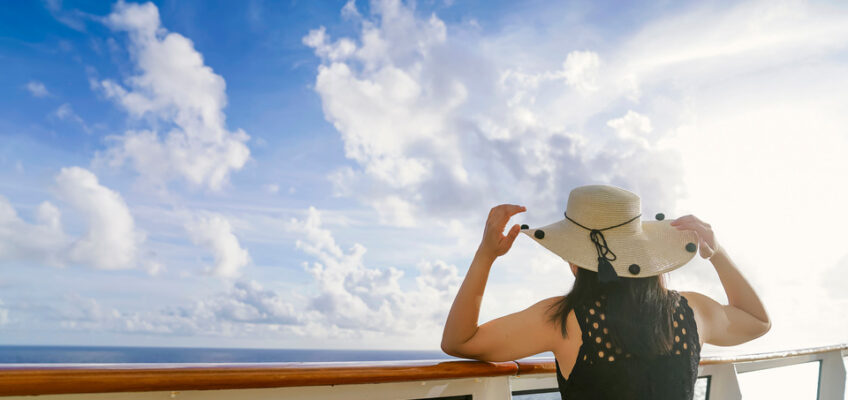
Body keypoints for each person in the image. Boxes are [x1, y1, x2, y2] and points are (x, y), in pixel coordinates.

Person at [441, 184, 771, 399]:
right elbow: (758, 321)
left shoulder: (564, 319)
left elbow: (459, 341)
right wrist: (719, 254)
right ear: (644, 254)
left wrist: (486, 255)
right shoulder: (693, 311)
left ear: (576, 261)